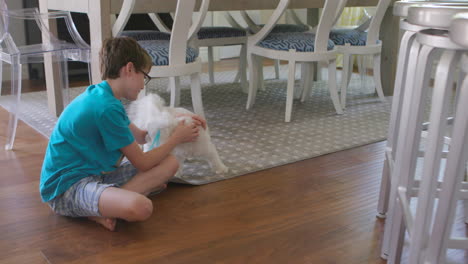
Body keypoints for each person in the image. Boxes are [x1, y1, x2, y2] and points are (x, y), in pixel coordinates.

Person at [40, 37, 206, 231]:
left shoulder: (105, 96)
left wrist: (176, 118)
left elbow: (142, 136)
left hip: (97, 174)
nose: (143, 85)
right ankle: (99, 210)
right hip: (65, 188)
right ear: (129, 69)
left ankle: (107, 205)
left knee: (171, 163)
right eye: (144, 76)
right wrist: (177, 138)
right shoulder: (105, 108)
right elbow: (142, 163)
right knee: (141, 207)